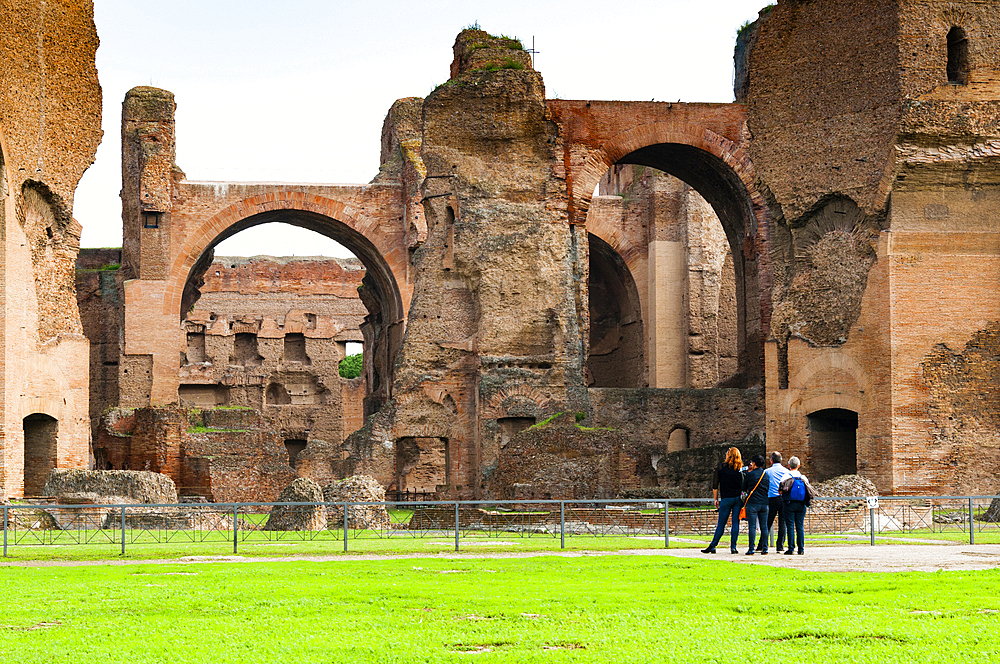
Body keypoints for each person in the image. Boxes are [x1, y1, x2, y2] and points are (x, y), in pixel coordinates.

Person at [701, 447, 744, 554]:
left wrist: (716, 499)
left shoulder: (721, 468)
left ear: (729, 455)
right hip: (738, 498)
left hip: (726, 498)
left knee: (721, 523)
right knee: (735, 523)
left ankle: (713, 545)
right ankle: (733, 547)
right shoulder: (740, 469)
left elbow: (715, 485)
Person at [780, 456, 818, 555]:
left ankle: (791, 548)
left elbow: (780, 490)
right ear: (799, 466)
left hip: (789, 503)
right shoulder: (803, 477)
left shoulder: (785, 476)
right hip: (801, 504)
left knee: (790, 526)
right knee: (800, 526)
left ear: (789, 465)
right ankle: (801, 548)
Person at [757, 451, 790, 552]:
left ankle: (762, 545)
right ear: (781, 460)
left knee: (767, 523)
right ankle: (780, 546)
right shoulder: (786, 471)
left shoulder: (767, 472)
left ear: (771, 460)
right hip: (783, 498)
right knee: (782, 523)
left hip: (771, 498)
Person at [742, 455, 770, 554]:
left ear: (754, 463)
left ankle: (751, 549)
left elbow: (744, 487)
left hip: (753, 503)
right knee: (764, 526)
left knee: (752, 526)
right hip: (764, 503)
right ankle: (765, 548)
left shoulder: (750, 475)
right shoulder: (766, 475)